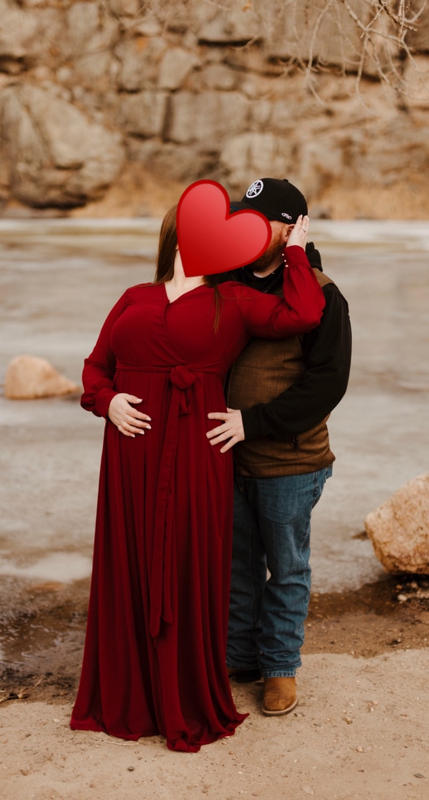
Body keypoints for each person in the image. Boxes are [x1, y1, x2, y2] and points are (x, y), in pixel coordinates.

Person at [69, 198, 325, 752]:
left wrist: (297, 253)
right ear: (174, 238)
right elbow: (94, 368)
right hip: (130, 449)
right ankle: (130, 692)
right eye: (190, 232)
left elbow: (303, 315)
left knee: (192, 561)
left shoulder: (232, 299)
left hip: (196, 446)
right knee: (130, 559)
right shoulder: (133, 297)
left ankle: (186, 689)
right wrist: (107, 401)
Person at [207, 178, 352, 715]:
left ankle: (280, 667)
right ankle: (237, 656)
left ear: (291, 228)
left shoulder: (322, 291)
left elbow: (327, 384)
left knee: (286, 567)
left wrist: (255, 422)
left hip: (290, 458)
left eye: (260, 219)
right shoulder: (226, 280)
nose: (246, 228)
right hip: (228, 454)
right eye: (241, 217)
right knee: (237, 565)